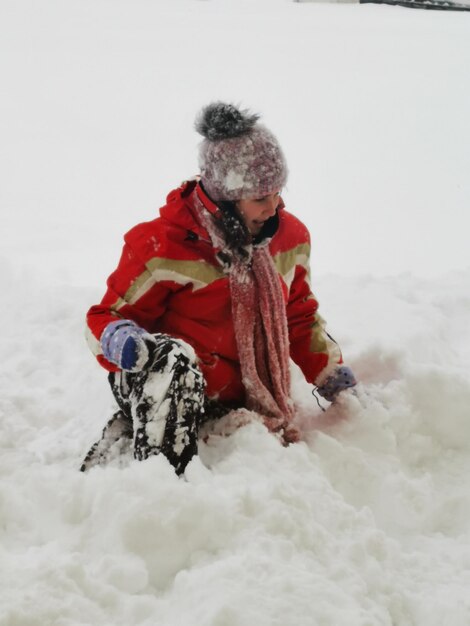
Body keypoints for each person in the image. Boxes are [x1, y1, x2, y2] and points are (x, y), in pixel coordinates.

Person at [81, 102, 356, 474]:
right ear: (225, 198)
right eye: (260, 197)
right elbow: (105, 317)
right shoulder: (164, 245)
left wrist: (332, 377)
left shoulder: (289, 238)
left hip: (238, 393)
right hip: (170, 383)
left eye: (277, 192)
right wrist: (122, 340)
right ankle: (162, 477)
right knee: (172, 359)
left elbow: (300, 315)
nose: (274, 207)